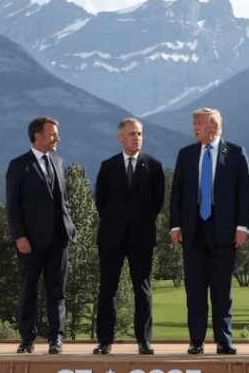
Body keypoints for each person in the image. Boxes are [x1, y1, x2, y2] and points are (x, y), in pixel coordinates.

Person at [169, 108, 249, 355]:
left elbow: (245, 193)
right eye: (194, 123)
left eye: (199, 124)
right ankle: (196, 341)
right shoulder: (186, 154)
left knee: (222, 289)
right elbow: (176, 193)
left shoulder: (235, 153)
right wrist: (175, 225)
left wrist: (242, 226)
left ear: (214, 127)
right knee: (194, 288)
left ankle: (224, 341)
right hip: (193, 229)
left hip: (225, 229)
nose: (194, 128)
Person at [93, 118, 165, 356]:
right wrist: (117, 223)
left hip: (142, 238)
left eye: (140, 134)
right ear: (120, 137)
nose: (137, 138)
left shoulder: (153, 166)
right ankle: (104, 341)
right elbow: (101, 202)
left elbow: (157, 203)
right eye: (132, 134)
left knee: (142, 289)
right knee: (107, 289)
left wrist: (138, 224)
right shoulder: (108, 166)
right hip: (110, 238)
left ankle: (144, 341)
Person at [6, 116, 77, 354]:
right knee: (29, 290)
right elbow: (13, 206)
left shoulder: (59, 162)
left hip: (59, 239)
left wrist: (70, 227)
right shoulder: (19, 165)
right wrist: (19, 236)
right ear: (38, 136)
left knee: (58, 292)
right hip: (30, 241)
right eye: (53, 134)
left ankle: (56, 339)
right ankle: (27, 340)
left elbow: (63, 199)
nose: (58, 138)